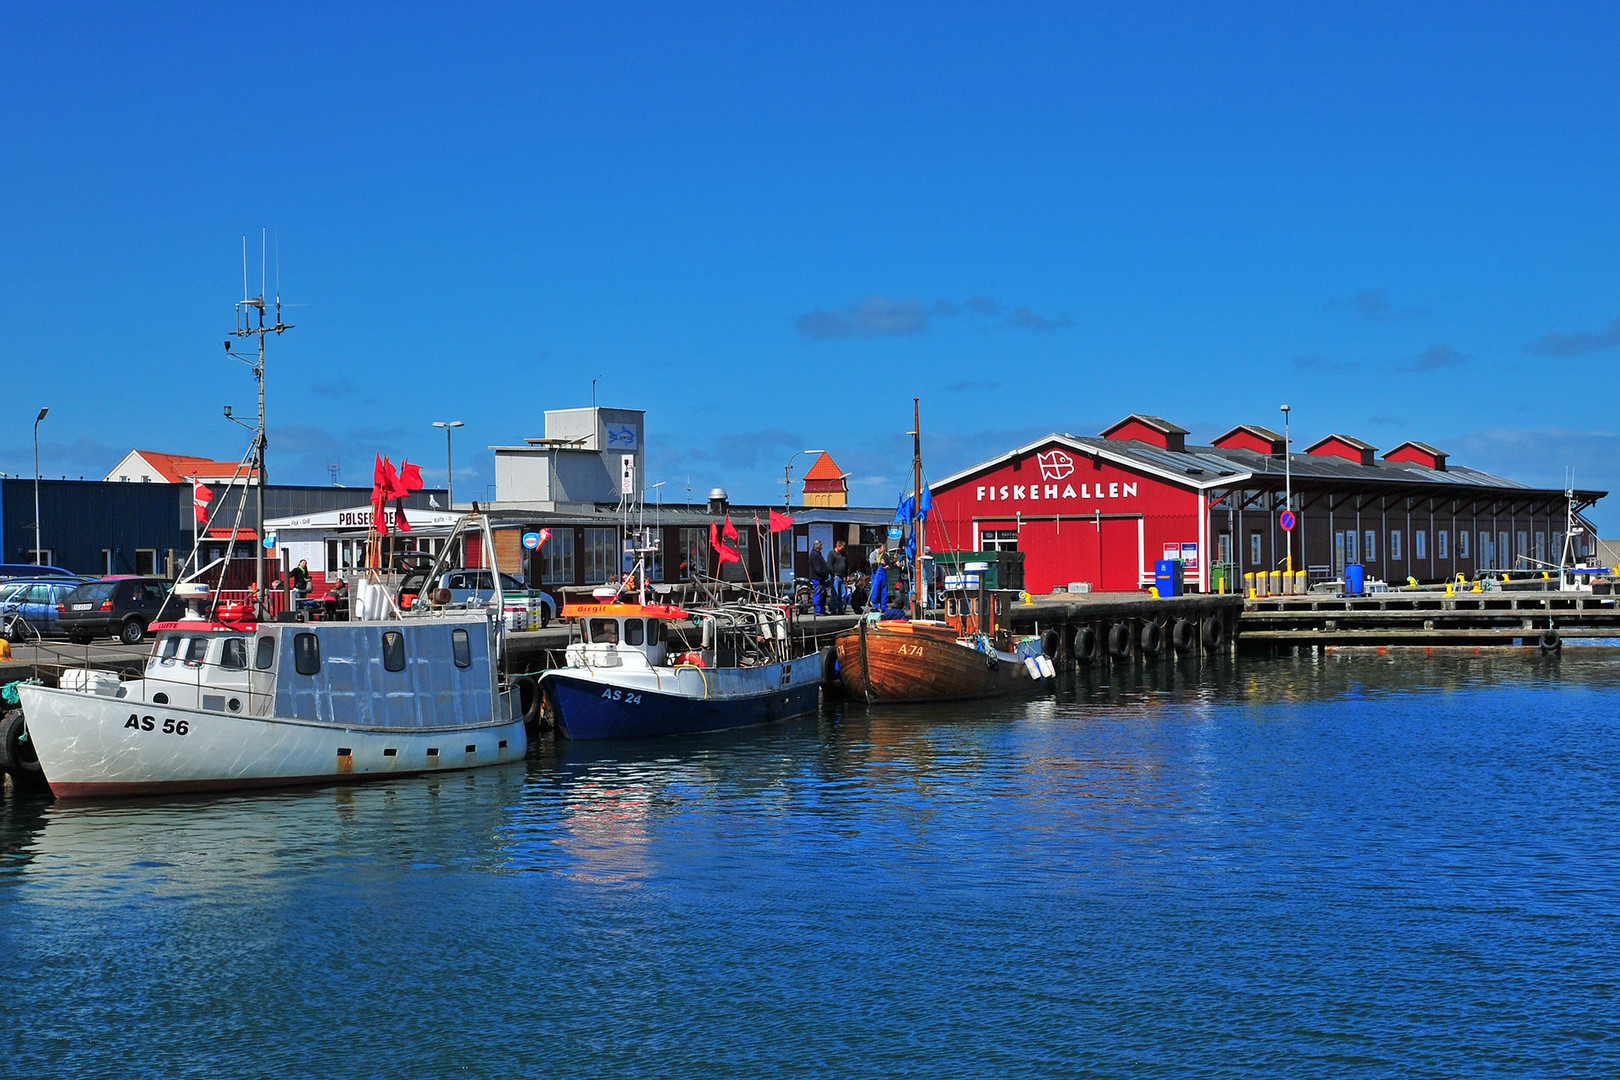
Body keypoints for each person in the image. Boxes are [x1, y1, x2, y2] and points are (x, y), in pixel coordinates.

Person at [808, 539, 830, 614]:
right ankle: (817, 611)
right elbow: (818, 568)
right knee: (818, 594)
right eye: (820, 545)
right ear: (817, 546)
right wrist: (823, 573)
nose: (822, 547)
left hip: (821, 579)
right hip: (817, 578)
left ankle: (822, 610)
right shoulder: (814, 555)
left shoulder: (818, 554)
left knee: (823, 595)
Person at [827, 539, 849, 615]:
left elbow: (847, 565)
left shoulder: (843, 554)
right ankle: (834, 609)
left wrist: (847, 575)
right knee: (835, 594)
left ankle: (841, 609)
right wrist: (833, 575)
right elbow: (829, 566)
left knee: (842, 594)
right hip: (835, 576)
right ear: (838, 546)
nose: (843, 549)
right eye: (842, 548)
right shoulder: (832, 554)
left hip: (842, 576)